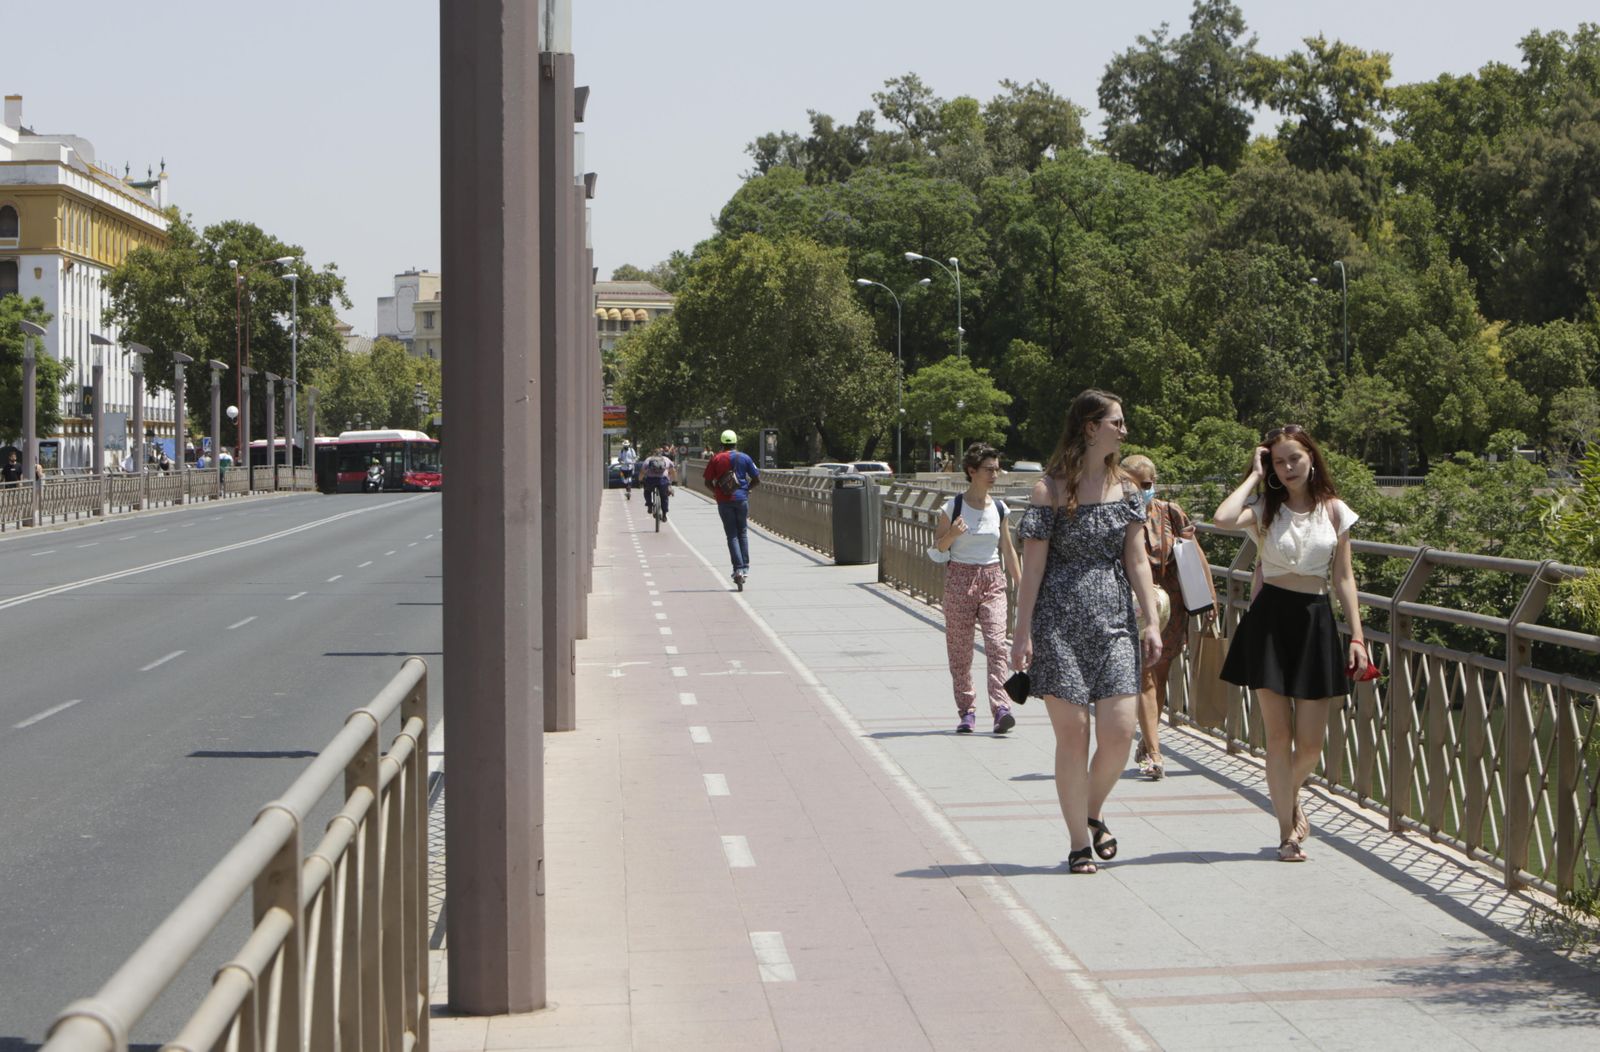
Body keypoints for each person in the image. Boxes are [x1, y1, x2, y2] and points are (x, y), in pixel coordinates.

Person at [1009, 389, 1163, 875]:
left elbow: (1136, 559)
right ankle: (1078, 842)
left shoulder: (1129, 492)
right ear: (1090, 428)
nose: (1124, 429)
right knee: (1073, 736)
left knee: (1120, 731)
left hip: (1114, 619)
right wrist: (1022, 632)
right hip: (1058, 621)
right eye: (1116, 422)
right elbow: (1031, 571)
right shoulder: (1049, 491)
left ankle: (1092, 810)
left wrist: (1151, 619)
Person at [1212, 425, 1369, 863]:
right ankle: (1287, 832)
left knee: (1311, 745)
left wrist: (1356, 635)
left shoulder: (1335, 511)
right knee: (1277, 738)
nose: (1288, 467)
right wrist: (1254, 476)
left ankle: (1289, 792)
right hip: (1270, 621)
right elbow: (1222, 519)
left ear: (1311, 457)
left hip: (1315, 620)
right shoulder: (1264, 509)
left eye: (1294, 458)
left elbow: (1343, 577)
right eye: (1278, 461)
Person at [1120, 454, 1215, 780]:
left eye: (1147, 484)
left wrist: (1209, 598)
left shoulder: (1170, 513)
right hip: (1134, 606)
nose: (1142, 490)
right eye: (1134, 484)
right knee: (1145, 676)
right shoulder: (1116, 514)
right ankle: (1156, 754)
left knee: (1160, 677)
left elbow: (1195, 552)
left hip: (1172, 605)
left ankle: (1148, 742)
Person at [931, 442, 1022, 734]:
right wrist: (953, 534)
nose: (995, 474)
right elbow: (937, 549)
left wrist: (1022, 585)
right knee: (960, 651)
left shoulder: (999, 508)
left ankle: (1001, 708)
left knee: (997, 645)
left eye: (997, 469)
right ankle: (967, 711)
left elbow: (1008, 549)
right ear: (972, 471)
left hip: (993, 578)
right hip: (959, 578)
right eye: (988, 469)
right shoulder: (952, 507)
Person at [703, 430, 761, 589]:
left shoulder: (716, 458)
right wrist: (747, 489)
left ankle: (737, 570)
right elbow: (757, 479)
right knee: (742, 532)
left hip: (724, 501)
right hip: (741, 500)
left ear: (722, 443)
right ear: (736, 443)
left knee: (731, 535)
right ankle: (745, 567)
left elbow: (707, 481)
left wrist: (717, 492)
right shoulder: (745, 457)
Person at [640, 446, 675, 519]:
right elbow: (672, 471)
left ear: (653, 453)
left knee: (647, 491)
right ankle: (664, 515)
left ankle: (649, 505)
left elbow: (642, 472)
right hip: (663, 481)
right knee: (664, 496)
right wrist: (671, 481)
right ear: (661, 454)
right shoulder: (666, 459)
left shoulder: (648, 459)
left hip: (651, 480)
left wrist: (640, 480)